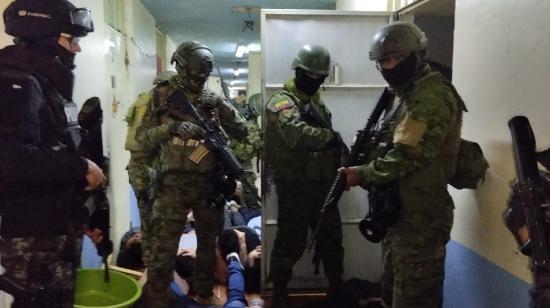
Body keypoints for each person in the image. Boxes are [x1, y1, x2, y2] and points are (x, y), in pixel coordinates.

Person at [340, 22, 465, 308]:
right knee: (392, 294)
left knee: (414, 299)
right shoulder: (404, 96)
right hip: (399, 215)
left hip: (421, 221)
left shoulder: (431, 94)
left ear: (418, 56)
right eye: (384, 61)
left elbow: (410, 155)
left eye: (397, 58)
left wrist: (363, 174)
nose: (391, 66)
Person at [0, 1, 103, 307]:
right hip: (33, 238)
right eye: (71, 40)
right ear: (45, 38)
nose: (77, 50)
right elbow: (11, 162)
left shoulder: (40, 83)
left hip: (52, 229)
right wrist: (80, 166)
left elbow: (51, 149)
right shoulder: (16, 82)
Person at [139, 41, 248, 306]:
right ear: (181, 67)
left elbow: (242, 131)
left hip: (207, 184)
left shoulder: (212, 100)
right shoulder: (160, 97)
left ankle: (204, 293)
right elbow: (143, 138)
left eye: (203, 75)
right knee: (163, 248)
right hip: (171, 185)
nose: (199, 80)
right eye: (194, 74)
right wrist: (172, 128)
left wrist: (222, 105)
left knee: (208, 245)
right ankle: (157, 299)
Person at [264, 44, 344, 307]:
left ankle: (336, 288)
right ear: (298, 71)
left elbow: (328, 142)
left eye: (321, 78)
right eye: (312, 76)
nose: (317, 82)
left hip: (323, 184)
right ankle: (279, 292)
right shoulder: (281, 101)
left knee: (332, 239)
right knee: (290, 241)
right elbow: (295, 134)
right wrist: (329, 138)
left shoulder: (316, 103)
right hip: (295, 185)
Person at [125, 70, 177, 267]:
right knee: (153, 221)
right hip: (145, 168)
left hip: (140, 167)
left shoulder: (145, 101)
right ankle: (152, 266)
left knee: (150, 220)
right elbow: (143, 138)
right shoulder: (153, 105)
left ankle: (152, 264)